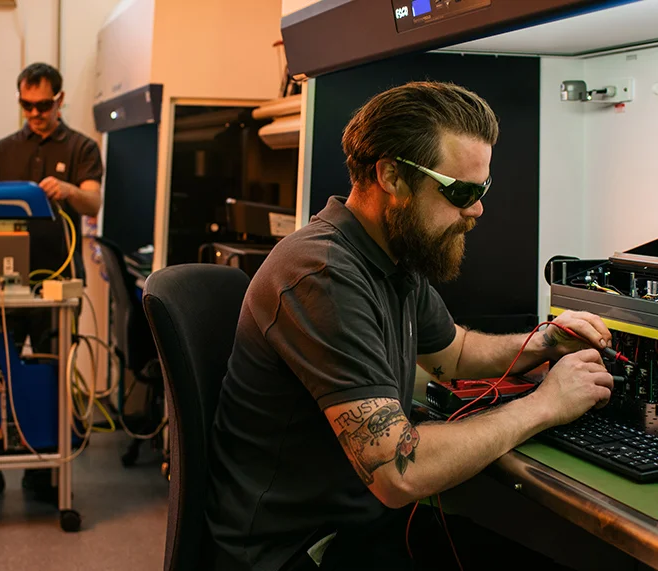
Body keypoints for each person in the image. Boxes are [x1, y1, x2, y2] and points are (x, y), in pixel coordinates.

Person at [206, 81, 614, 571]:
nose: (477, 209)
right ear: (392, 177)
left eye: (482, 189)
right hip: (297, 551)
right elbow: (398, 470)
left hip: (357, 527)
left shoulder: (392, 257)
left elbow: (454, 355)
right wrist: (545, 405)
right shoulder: (322, 274)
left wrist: (546, 340)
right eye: (461, 191)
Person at [0, 63, 103, 507]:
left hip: (57, 282)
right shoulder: (2, 150)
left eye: (44, 104)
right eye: (27, 104)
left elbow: (93, 200)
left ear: (60, 99)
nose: (35, 112)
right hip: (4, 283)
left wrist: (69, 189)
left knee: (53, 374)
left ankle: (46, 472)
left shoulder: (81, 147)